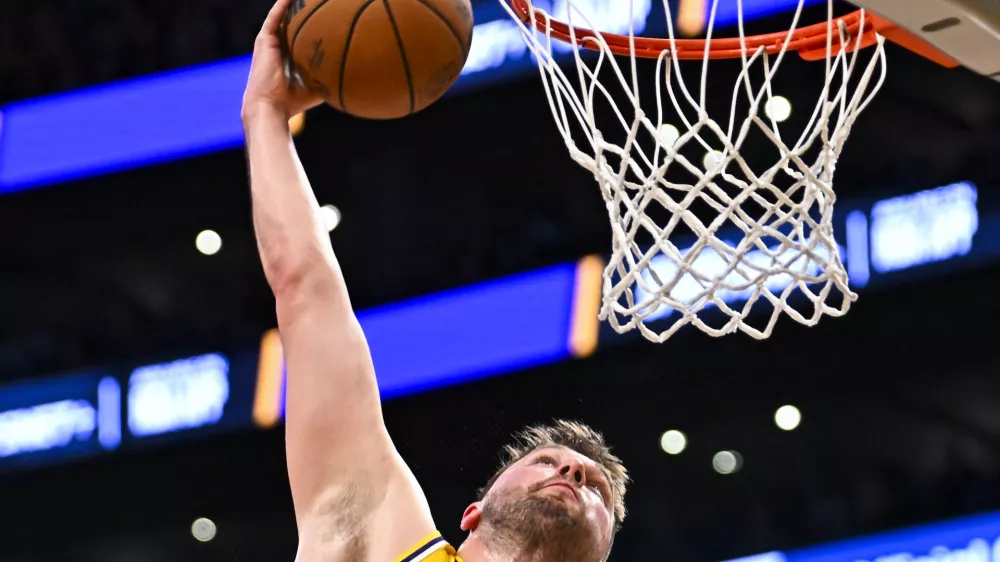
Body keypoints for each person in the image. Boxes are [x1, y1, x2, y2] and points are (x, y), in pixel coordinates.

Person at [240, 1, 630, 560]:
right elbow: (307, 292)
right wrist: (264, 114)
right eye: (545, 462)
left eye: (594, 489)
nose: (572, 469)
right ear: (472, 512)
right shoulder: (377, 534)